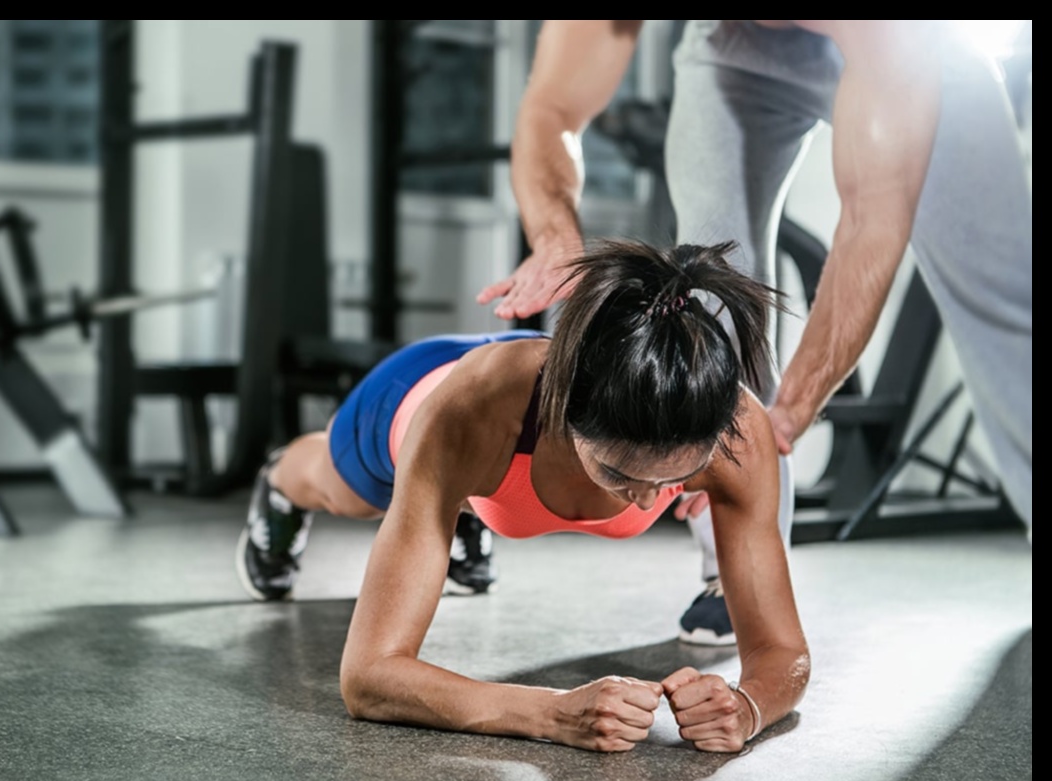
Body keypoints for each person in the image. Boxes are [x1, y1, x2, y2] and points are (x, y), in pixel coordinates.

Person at [477, 20, 1033, 643]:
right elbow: (552, 108)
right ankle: (734, 567)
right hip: (736, 55)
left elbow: (872, 223)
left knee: (1006, 298)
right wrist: (554, 239)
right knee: (711, 286)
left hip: (912, 47)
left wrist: (790, 411)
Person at [236, 240, 809, 753]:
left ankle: (457, 513)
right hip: (413, 401)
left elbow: (784, 652)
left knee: (451, 504)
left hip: (495, 446)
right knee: (345, 492)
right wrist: (552, 713)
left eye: (673, 479)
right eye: (620, 473)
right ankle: (281, 479)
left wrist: (747, 708)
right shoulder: (471, 413)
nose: (644, 504)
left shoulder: (740, 436)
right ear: (567, 418)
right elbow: (368, 677)